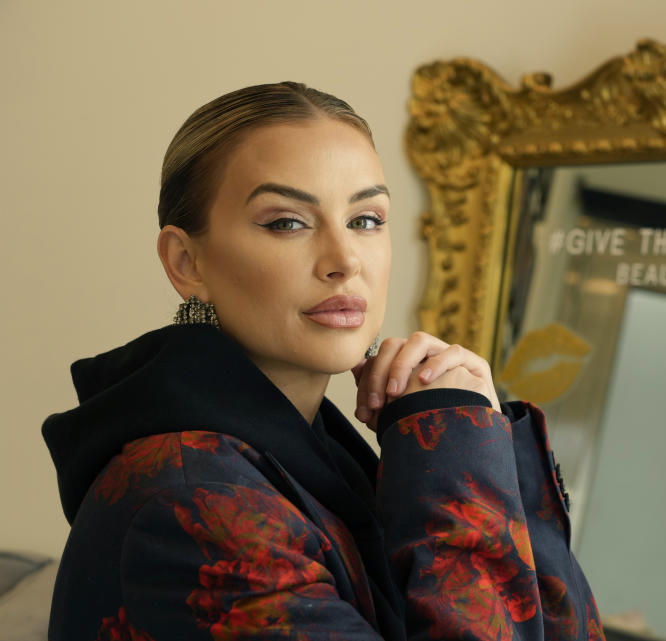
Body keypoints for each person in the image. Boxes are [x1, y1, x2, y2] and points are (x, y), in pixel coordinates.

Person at [42, 81, 604, 641]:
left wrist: (487, 439)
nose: (344, 260)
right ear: (187, 262)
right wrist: (454, 447)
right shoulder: (195, 504)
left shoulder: (320, 463)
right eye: (287, 222)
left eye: (366, 220)